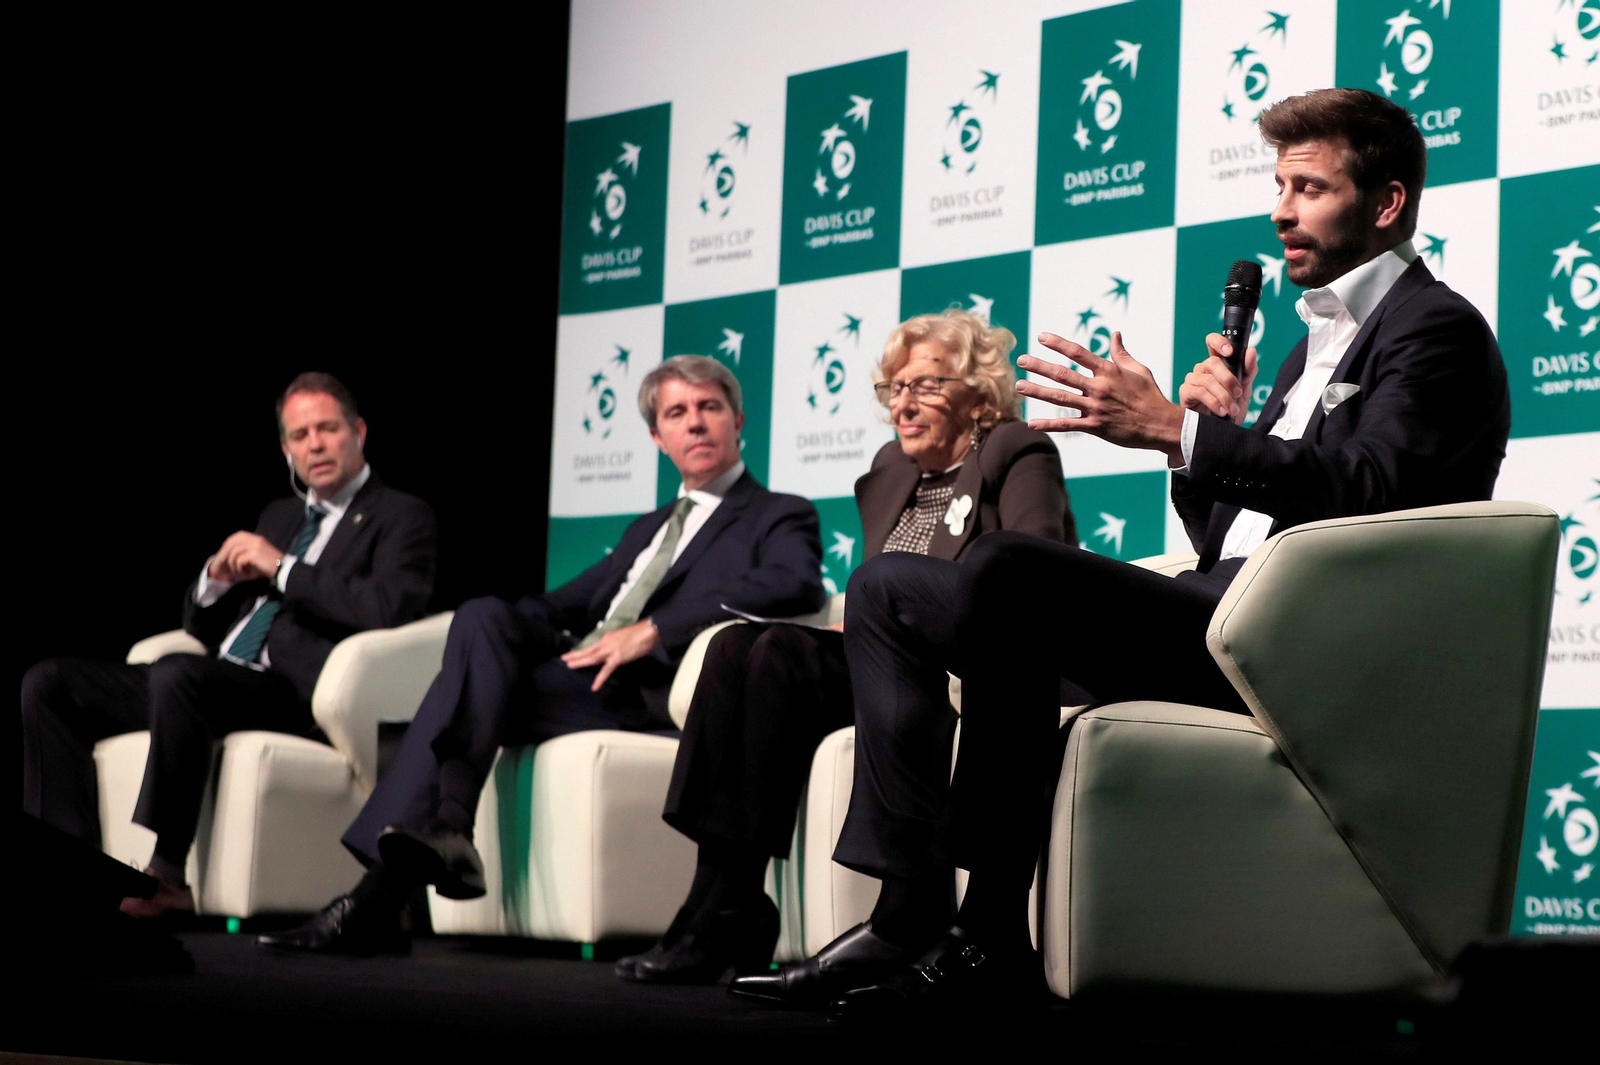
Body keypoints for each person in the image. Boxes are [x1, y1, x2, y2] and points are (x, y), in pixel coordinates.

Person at [734, 87, 1511, 1020]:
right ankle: (911, 908)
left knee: (1009, 568)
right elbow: (1234, 534)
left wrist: (1181, 430)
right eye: (1278, 184)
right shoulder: (1313, 351)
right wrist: (1205, 444)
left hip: (1303, 647)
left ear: (1385, 203)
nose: (1279, 209)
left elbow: (1376, 493)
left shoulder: (1437, 329)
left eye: (1307, 187)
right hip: (1229, 610)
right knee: (893, 585)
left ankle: (987, 937)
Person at [261, 355, 826, 955]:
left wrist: (658, 627)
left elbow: (793, 584)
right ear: (658, 438)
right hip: (576, 676)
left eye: (709, 408)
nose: (695, 424)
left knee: (462, 692)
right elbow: (561, 605)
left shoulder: (778, 513)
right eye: (677, 413)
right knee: (481, 618)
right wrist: (496, 643)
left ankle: (390, 884)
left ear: (738, 421)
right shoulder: (649, 528)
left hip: (639, 693)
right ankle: (439, 834)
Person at [617, 309, 1074, 984]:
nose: (903, 402)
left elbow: (1033, 568)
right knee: (740, 648)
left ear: (979, 394)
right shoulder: (891, 469)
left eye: (925, 383)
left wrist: (891, 607)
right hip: (884, 656)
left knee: (777, 650)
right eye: (895, 387)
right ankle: (724, 900)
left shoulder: (1014, 449)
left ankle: (879, 910)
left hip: (967, 663)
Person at [21, 372, 438, 918]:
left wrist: (281, 567)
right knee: (50, 683)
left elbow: (384, 610)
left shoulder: (400, 516)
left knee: (178, 674)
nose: (315, 444)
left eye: (328, 429)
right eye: (300, 435)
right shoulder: (281, 515)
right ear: (286, 448)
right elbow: (202, 629)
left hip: (292, 691)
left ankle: (167, 876)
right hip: (213, 678)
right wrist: (214, 580)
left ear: (358, 432)